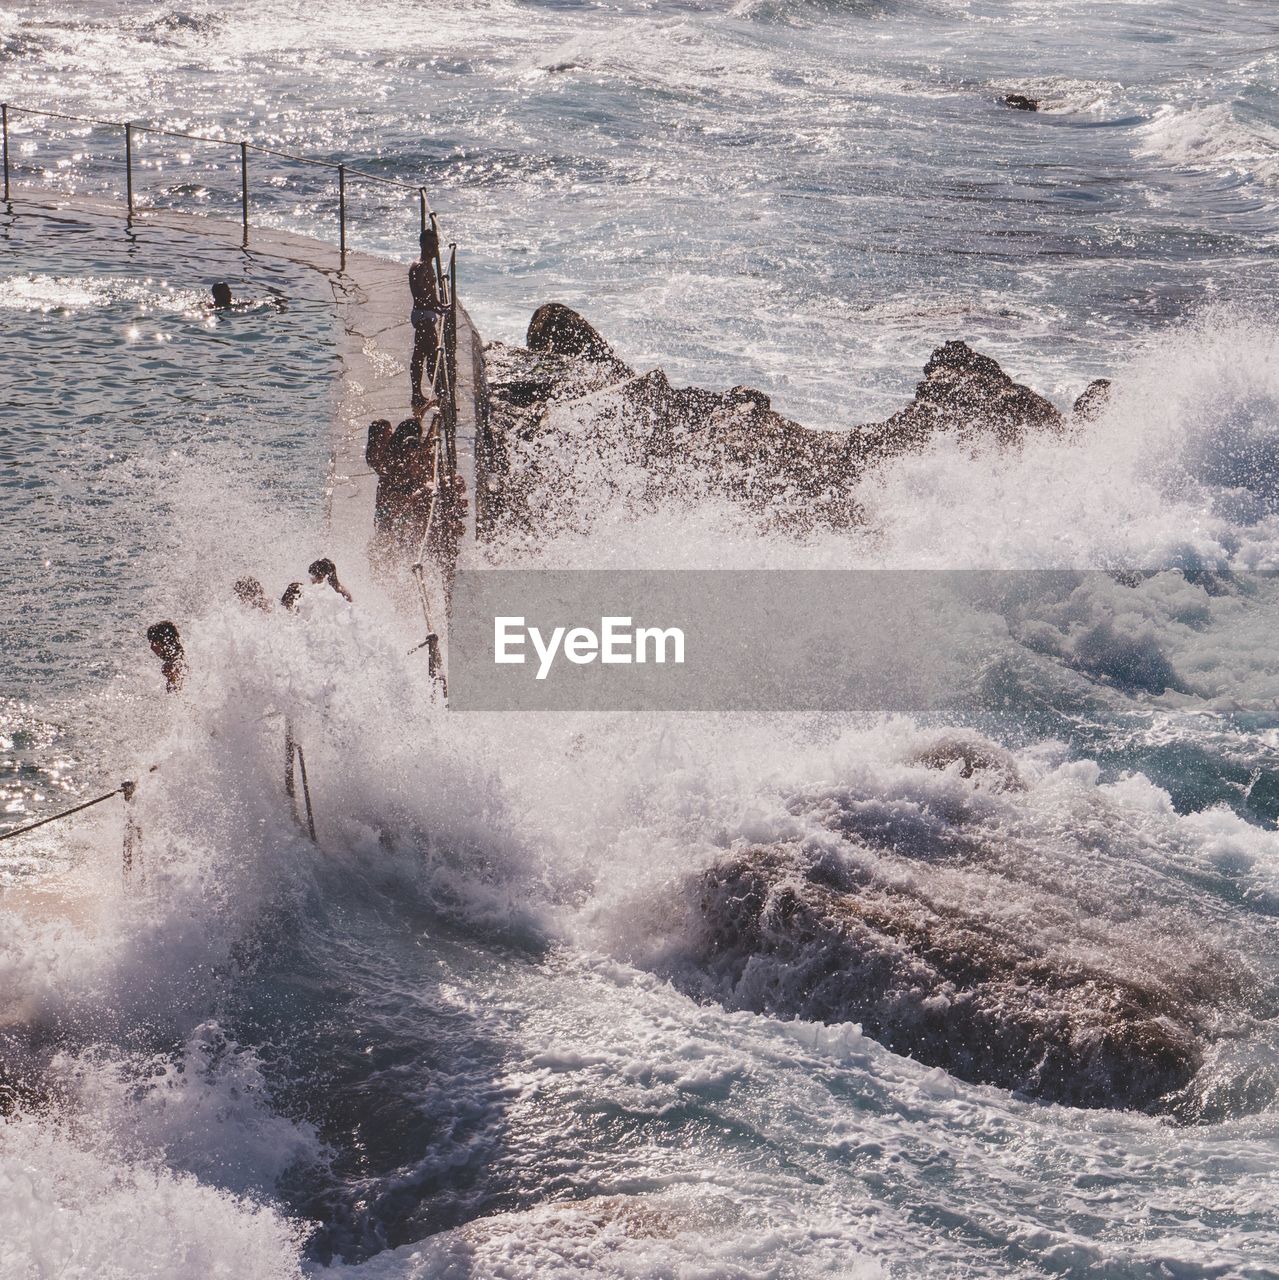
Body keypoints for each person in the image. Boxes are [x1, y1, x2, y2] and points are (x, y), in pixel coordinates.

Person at [367, 415, 438, 560]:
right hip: (388, 512)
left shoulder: (396, 454)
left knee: (397, 546)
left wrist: (433, 419)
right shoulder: (391, 464)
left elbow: (425, 446)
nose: (390, 433)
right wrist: (419, 492)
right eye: (387, 432)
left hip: (393, 511)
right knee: (390, 546)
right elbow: (397, 499)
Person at [409, 227, 446, 411]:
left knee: (421, 354)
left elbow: (430, 295)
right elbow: (420, 297)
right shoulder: (420, 266)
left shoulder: (428, 265)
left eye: (436, 244)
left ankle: (418, 394)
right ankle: (438, 394)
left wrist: (439, 306)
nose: (434, 248)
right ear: (422, 244)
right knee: (430, 356)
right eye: (431, 244)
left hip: (428, 314)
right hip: (423, 316)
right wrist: (436, 308)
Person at [146, 621, 187, 692]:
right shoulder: (184, 657)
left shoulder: (175, 665)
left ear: (164, 642)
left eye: (154, 642)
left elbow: (177, 695)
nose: (152, 647)